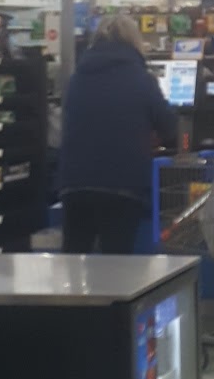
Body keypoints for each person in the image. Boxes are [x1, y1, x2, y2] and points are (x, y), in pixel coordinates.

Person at [60, 13, 180, 253]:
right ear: (134, 41)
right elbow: (169, 128)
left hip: (75, 183)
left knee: (73, 260)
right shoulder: (142, 79)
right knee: (116, 263)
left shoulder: (77, 78)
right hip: (122, 184)